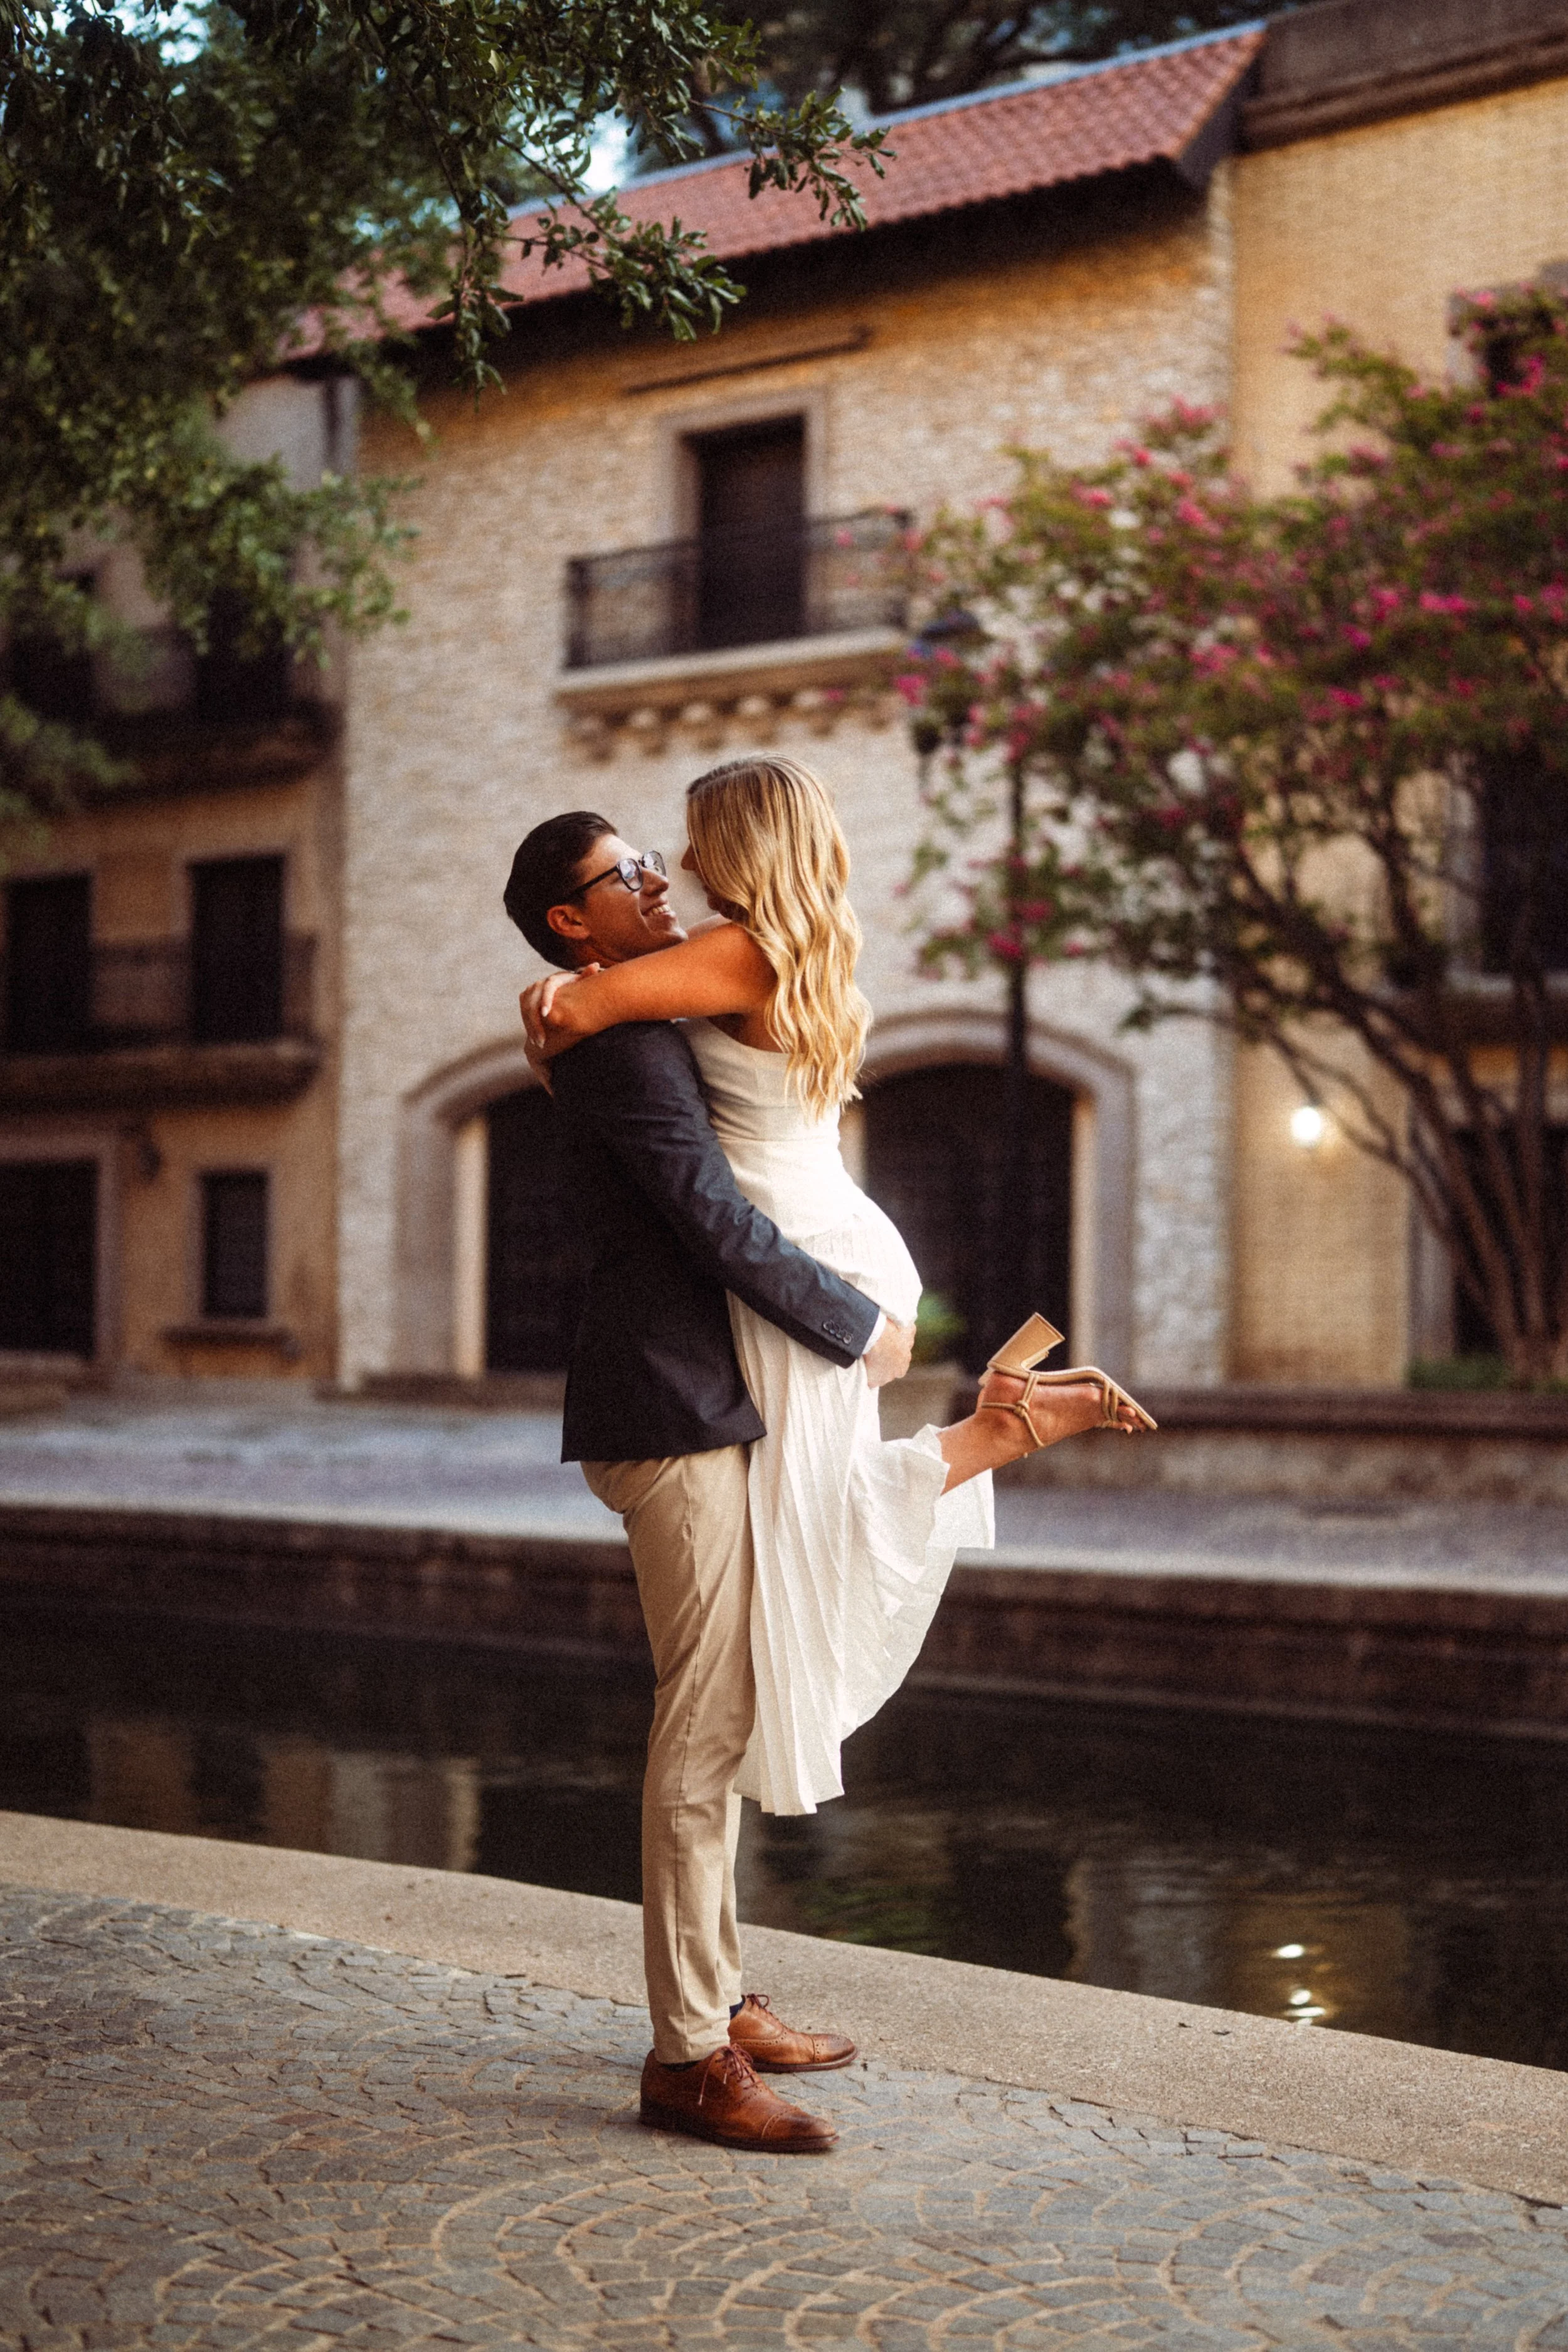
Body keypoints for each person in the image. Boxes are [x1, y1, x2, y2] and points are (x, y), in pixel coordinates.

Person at [513, 764, 1153, 2116]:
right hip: (677, 1397)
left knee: (750, 1657)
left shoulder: (662, 993)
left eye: (664, 858)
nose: (657, 878)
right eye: (624, 873)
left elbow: (713, 1193)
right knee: (702, 1728)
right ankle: (688, 2056)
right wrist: (847, 1317)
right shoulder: (635, 1032)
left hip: (735, 1368)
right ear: (568, 921)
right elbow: (708, 1222)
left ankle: (718, 1998)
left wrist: (557, 1007)